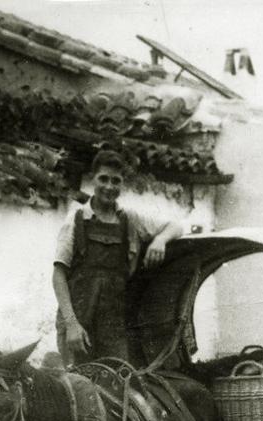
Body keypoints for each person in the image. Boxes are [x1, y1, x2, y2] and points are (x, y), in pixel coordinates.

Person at [52, 149, 184, 365]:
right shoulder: (75, 219)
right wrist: (72, 325)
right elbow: (58, 275)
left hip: (113, 327)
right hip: (78, 325)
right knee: (79, 388)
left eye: (116, 181)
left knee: (119, 386)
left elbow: (176, 226)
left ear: (122, 184)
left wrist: (160, 240)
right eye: (103, 179)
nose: (109, 186)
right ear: (93, 178)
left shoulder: (129, 219)